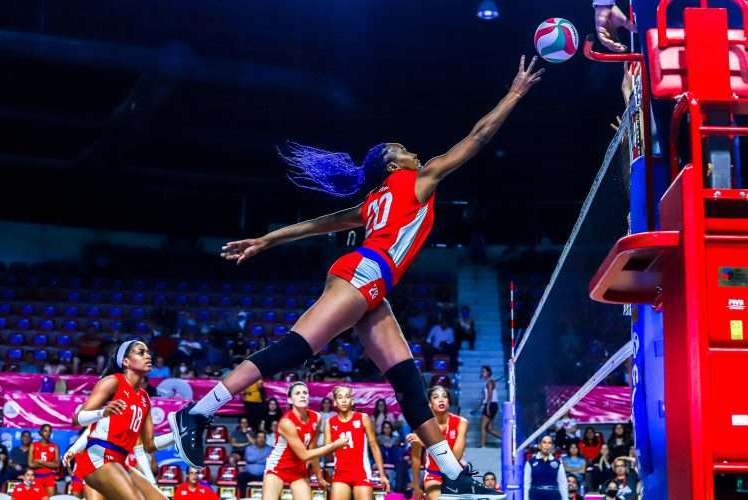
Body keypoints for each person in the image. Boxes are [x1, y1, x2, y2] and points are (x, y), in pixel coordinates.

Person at [170, 56, 544, 496]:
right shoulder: (417, 181)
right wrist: (514, 95)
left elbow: (319, 224)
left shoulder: (374, 203)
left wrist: (267, 240)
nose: (415, 153)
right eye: (404, 150)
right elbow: (478, 137)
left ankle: (456, 475)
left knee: (407, 380)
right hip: (364, 273)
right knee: (293, 349)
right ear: (392, 165)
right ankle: (197, 412)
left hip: (371, 284)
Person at [71, 339, 174, 500]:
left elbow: (149, 445)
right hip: (98, 455)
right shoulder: (113, 381)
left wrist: (177, 436)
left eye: (147, 352)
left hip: (120, 460)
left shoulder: (145, 398)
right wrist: (102, 412)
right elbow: (76, 419)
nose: (147, 356)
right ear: (126, 362)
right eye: (141, 353)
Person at [263, 381, 348, 500]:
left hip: (299, 470)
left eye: (305, 393)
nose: (302, 395)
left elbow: (312, 449)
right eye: (297, 393)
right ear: (290, 400)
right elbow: (304, 455)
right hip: (278, 467)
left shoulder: (316, 418)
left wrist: (319, 477)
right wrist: (334, 445)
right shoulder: (286, 422)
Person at [410, 386, 498, 499]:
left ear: (449, 402)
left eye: (445, 397)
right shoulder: (421, 426)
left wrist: (427, 442)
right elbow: (415, 458)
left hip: (458, 475)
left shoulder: (461, 423)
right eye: (436, 397)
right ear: (430, 404)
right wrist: (416, 487)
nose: (441, 399)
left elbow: (455, 457)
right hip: (434, 475)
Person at [325, 386, 390, 499]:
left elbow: (374, 446)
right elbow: (327, 455)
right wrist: (334, 446)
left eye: (347, 397)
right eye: (340, 398)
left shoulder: (363, 418)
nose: (344, 400)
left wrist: (382, 474)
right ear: (335, 402)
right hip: (340, 474)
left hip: (361, 473)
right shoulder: (329, 422)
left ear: (352, 401)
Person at [523, 435, 568, 500]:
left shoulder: (558, 463)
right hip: (535, 495)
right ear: (539, 445)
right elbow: (526, 484)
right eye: (544, 442)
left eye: (549, 443)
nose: (547, 445)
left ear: (552, 446)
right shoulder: (530, 462)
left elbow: (563, 484)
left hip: (553, 496)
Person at [237, 431, 273, 496]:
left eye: (263, 437)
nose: (261, 439)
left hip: (264, 475)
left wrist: (256, 459)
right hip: (249, 474)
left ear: (266, 439)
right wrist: (263, 458)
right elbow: (249, 459)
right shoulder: (249, 448)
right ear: (256, 439)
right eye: (259, 437)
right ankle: (244, 497)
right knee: (241, 476)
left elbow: (268, 461)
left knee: (273, 478)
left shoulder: (270, 449)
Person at [28, 424, 60, 497]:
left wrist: (41, 462)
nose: (47, 433)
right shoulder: (33, 445)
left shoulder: (55, 446)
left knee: (50, 498)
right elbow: (30, 464)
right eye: (45, 431)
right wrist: (50, 464)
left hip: (50, 477)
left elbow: (57, 465)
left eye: (49, 431)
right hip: (37, 476)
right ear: (41, 432)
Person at [479, 366, 501, 447]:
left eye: (484, 371)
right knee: (490, 429)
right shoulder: (488, 382)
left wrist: (487, 407)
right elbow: (485, 397)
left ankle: (482, 445)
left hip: (491, 405)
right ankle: (507, 440)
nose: (482, 373)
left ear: (488, 372)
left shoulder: (490, 382)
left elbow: (490, 395)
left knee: (483, 426)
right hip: (492, 405)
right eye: (482, 371)